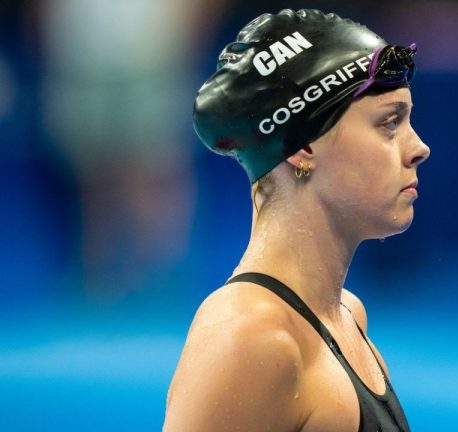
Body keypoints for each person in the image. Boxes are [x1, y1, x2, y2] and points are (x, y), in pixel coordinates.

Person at [163, 9, 430, 432]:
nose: (419, 148)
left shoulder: (346, 318)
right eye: (389, 123)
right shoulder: (252, 338)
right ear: (303, 146)